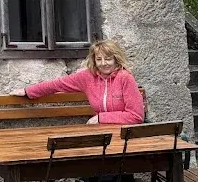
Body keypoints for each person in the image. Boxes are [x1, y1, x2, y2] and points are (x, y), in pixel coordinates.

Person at [10, 39, 144, 125]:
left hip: (125, 135)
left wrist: (101, 118)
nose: (103, 64)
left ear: (116, 59)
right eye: (99, 59)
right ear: (94, 60)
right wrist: (28, 91)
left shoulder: (125, 78)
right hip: (102, 133)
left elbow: (136, 116)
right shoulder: (87, 77)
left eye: (108, 59)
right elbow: (57, 84)